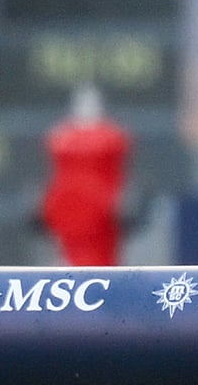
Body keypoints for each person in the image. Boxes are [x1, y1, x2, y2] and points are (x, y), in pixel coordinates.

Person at [40, 84, 131, 266]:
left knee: (102, 261)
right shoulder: (61, 137)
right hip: (66, 210)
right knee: (68, 258)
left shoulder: (111, 138)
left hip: (103, 212)